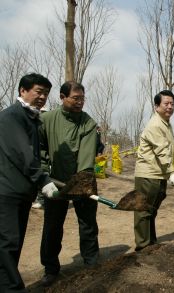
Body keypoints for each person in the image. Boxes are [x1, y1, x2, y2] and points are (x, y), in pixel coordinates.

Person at [0, 73, 58, 292]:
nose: (42, 97)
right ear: (23, 91)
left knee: (14, 244)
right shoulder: (12, 117)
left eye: (46, 93)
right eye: (38, 91)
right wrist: (42, 179)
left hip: (21, 192)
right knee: (7, 242)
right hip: (7, 191)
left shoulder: (31, 118)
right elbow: (23, 154)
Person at [39, 81, 99, 287]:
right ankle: (50, 269)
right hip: (55, 182)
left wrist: (82, 181)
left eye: (82, 98)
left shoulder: (88, 123)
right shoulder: (46, 119)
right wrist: (44, 172)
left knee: (88, 224)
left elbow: (86, 155)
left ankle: (91, 264)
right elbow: (39, 149)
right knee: (52, 226)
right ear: (62, 97)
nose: (80, 102)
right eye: (75, 98)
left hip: (83, 180)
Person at [134, 90, 174, 251]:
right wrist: (171, 172)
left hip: (158, 173)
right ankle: (142, 245)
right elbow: (161, 151)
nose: (170, 107)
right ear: (157, 106)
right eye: (166, 104)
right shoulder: (155, 124)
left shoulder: (165, 123)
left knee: (151, 210)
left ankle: (150, 242)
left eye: (172, 104)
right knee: (143, 209)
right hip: (148, 174)